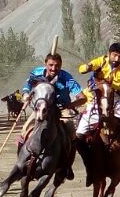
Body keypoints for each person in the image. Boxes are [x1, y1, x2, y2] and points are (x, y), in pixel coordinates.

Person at [19, 52, 85, 180]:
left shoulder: (67, 78)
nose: (54, 68)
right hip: (42, 109)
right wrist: (26, 94)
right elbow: (27, 86)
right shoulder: (37, 72)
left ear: (61, 65)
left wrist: (70, 105)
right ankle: (22, 161)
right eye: (51, 65)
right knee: (24, 130)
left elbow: (83, 98)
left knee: (71, 133)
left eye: (57, 65)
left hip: (61, 109)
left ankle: (67, 165)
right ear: (45, 64)